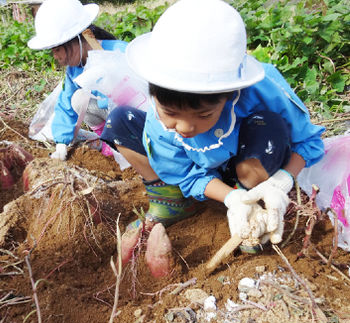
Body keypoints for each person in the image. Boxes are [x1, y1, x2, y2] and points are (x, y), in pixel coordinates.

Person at [100, 0, 325, 275]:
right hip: (205, 173)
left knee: (267, 127)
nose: (183, 127)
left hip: (245, 162)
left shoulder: (263, 90)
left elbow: (309, 142)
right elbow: (185, 173)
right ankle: (172, 202)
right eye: (170, 112)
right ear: (154, 93)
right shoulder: (160, 124)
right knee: (120, 120)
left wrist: (281, 181)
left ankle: (254, 208)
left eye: (204, 115)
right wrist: (231, 199)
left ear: (230, 94)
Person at [27, 0, 128, 161]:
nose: (56, 57)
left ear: (79, 39)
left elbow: (139, 98)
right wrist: (61, 142)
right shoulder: (75, 69)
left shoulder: (118, 53)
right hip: (112, 118)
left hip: (134, 118)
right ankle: (110, 143)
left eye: (58, 49)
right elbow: (65, 104)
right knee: (77, 99)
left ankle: (126, 146)